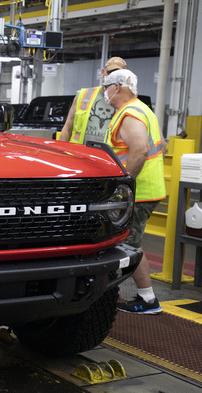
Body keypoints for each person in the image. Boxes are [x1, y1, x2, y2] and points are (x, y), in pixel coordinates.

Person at [102, 69, 167, 314]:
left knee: (127, 246)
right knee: (129, 243)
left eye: (106, 87)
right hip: (147, 190)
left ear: (117, 87)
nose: (105, 93)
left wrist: (124, 186)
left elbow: (139, 150)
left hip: (140, 192)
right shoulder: (143, 109)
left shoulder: (129, 113)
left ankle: (147, 299)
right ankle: (145, 297)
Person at [59, 57, 127, 144]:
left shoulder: (126, 102)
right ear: (103, 73)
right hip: (79, 153)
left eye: (118, 74)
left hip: (106, 156)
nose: (113, 77)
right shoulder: (83, 95)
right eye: (110, 73)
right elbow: (68, 127)